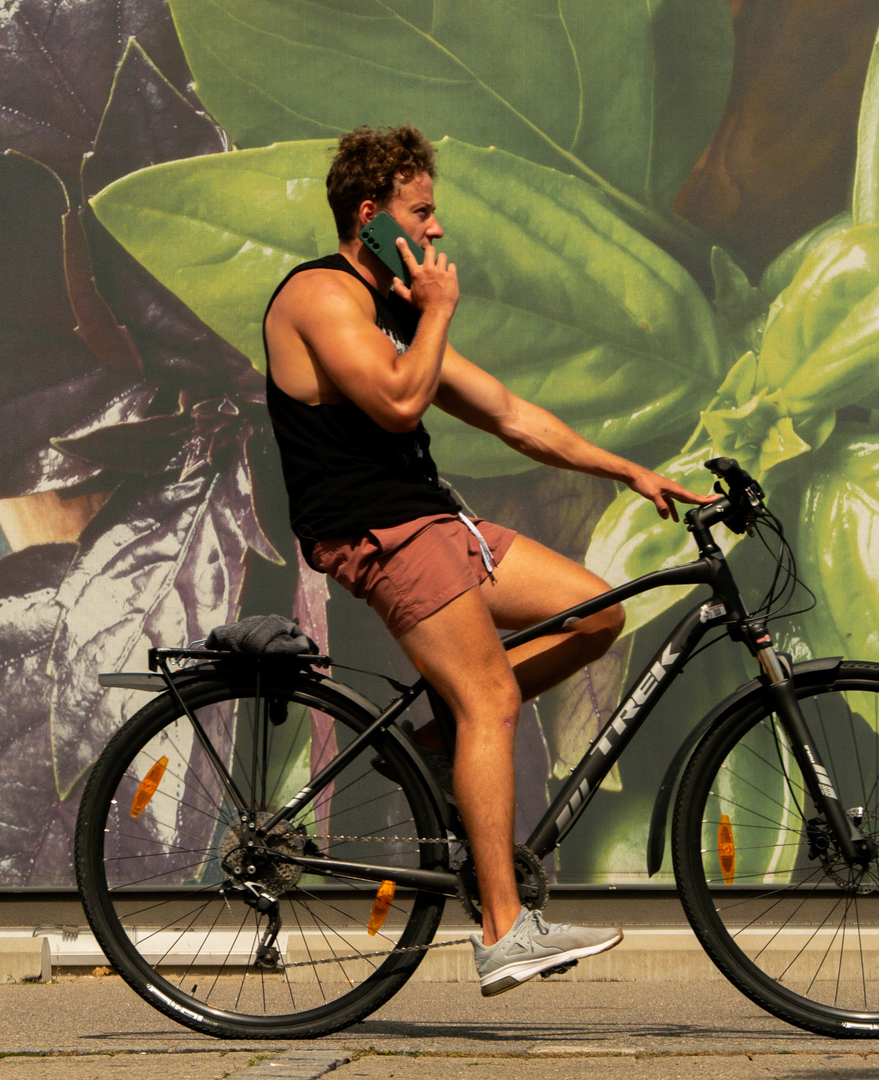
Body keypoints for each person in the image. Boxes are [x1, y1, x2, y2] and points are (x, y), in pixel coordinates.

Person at [262, 124, 714, 997]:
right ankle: (504, 933)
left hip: (434, 521)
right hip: (379, 531)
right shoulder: (319, 296)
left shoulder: (393, 312)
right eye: (421, 214)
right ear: (369, 214)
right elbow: (396, 406)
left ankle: (435, 741)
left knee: (597, 612)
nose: (435, 232)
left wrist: (628, 472)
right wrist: (436, 311)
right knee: (494, 698)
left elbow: (507, 412)